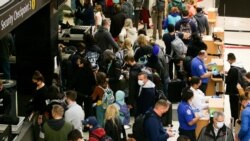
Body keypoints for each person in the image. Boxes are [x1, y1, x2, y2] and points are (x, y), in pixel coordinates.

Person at [226, 53, 246, 121]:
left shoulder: (233, 69)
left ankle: (233, 120)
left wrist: (225, 75)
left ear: (229, 60)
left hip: (233, 92)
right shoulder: (241, 67)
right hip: (240, 90)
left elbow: (227, 80)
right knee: (238, 106)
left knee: (233, 106)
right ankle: (237, 118)